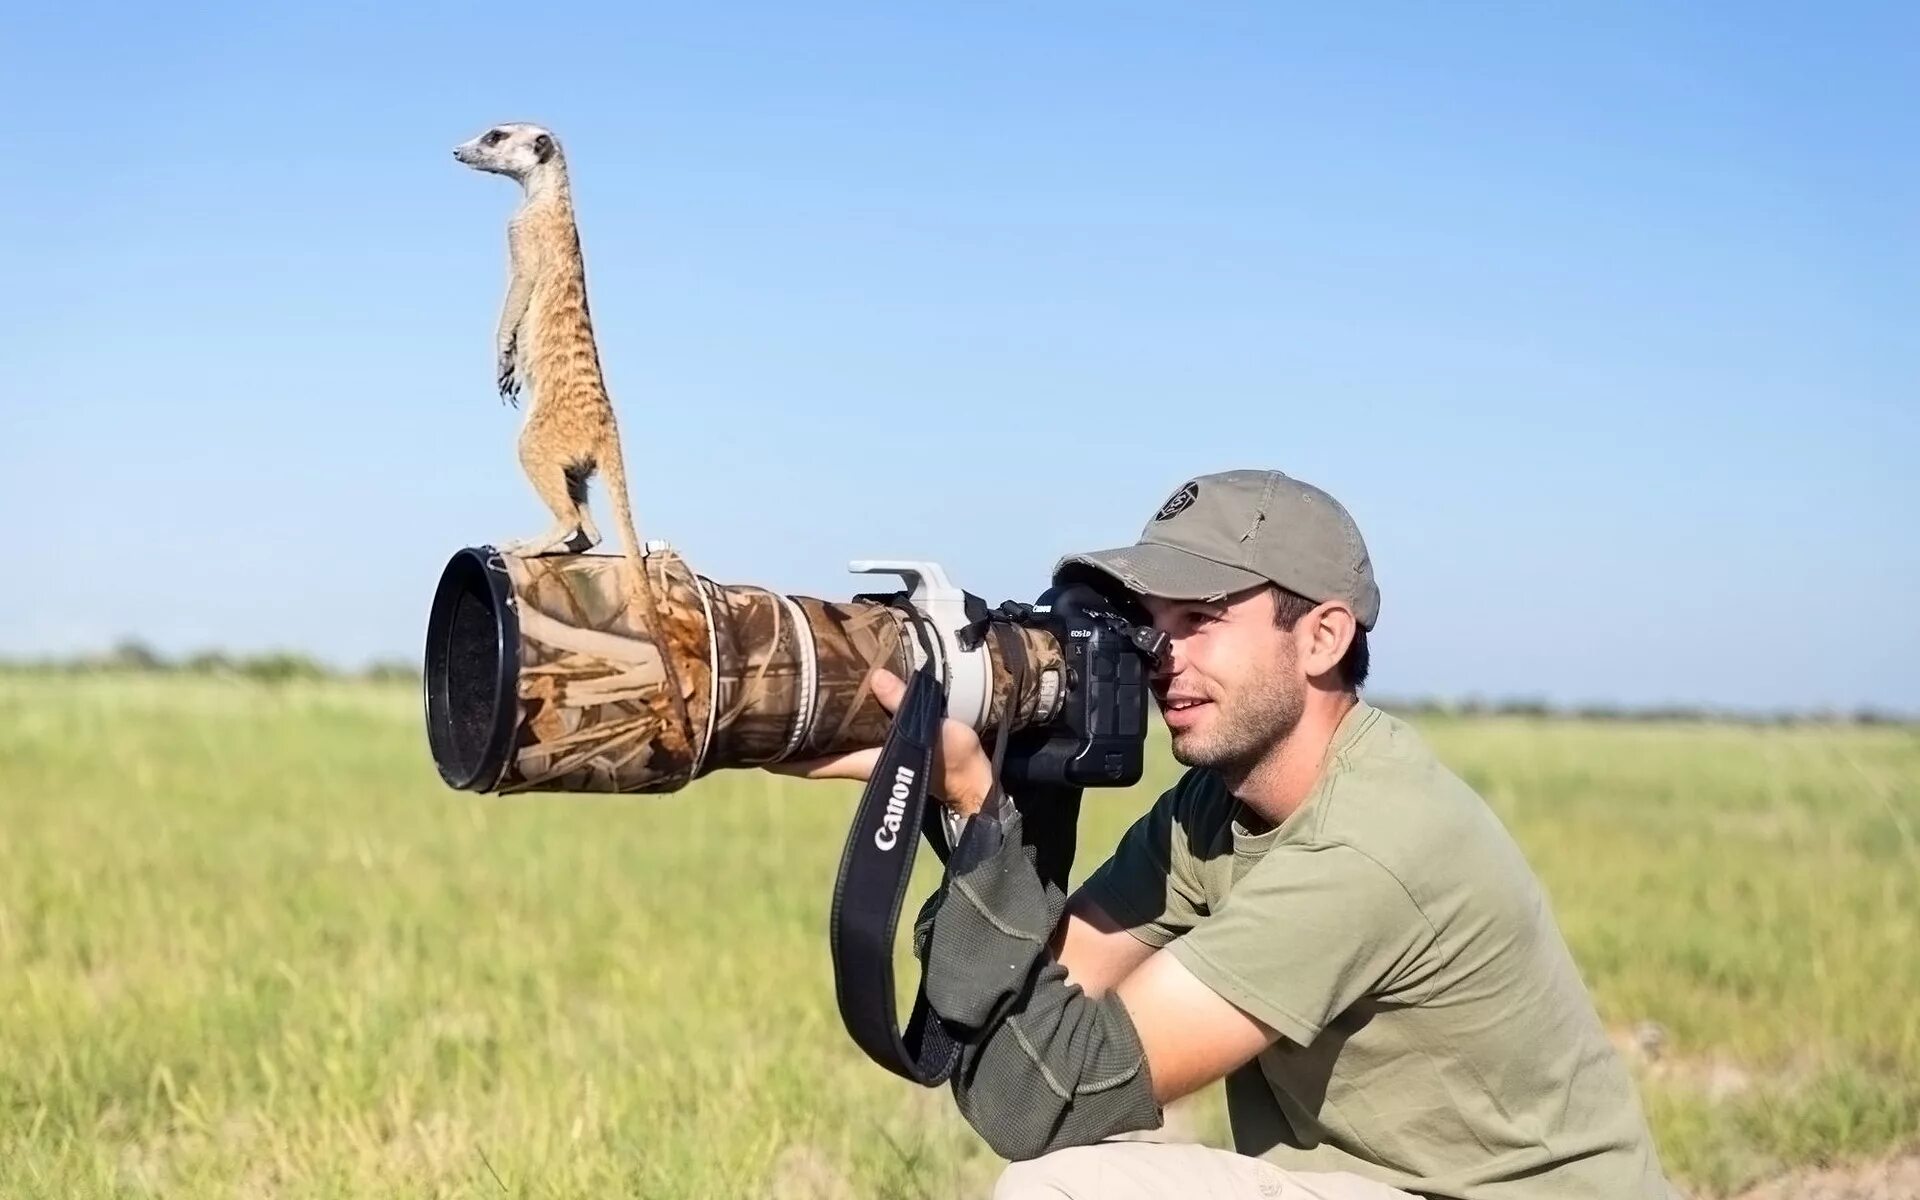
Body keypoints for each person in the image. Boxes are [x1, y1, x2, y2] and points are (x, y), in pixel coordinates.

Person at [772, 468, 1674, 1199]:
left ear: (1320, 638)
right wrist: (1010, 791)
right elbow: (1015, 1021)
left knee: (1070, 1190)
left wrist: (978, 815)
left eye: (1201, 621)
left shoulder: (1370, 844)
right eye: (1152, 627)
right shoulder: (1216, 810)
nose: (1164, 659)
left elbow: (1046, 1098)